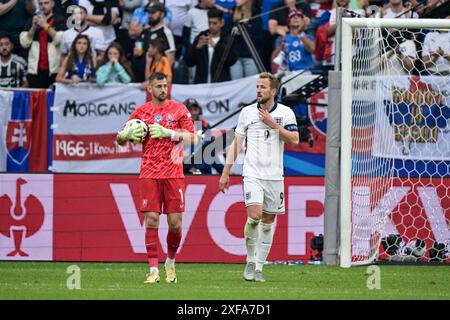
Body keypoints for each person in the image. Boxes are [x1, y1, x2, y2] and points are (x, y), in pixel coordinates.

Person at [116, 72, 197, 284]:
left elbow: (193, 137)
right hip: (149, 173)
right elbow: (122, 137)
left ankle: (170, 261)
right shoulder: (140, 112)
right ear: (149, 89)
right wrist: (124, 136)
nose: (163, 89)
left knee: (175, 224)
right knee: (151, 219)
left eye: (165, 85)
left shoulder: (179, 109)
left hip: (174, 173)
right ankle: (153, 270)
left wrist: (168, 133)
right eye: (159, 86)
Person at [219, 72, 299, 282]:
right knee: (254, 216)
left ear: (273, 91)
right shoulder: (247, 113)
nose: (258, 91)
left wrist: (273, 124)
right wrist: (226, 171)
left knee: (268, 220)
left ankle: (259, 268)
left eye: (263, 87)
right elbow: (236, 144)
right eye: (257, 87)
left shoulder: (286, 113)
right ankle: (249, 260)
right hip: (252, 173)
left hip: (274, 176)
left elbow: (294, 140)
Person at [19, 0, 66, 88]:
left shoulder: (60, 19)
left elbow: (61, 40)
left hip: (53, 70)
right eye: (40, 4)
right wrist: (33, 27)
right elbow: (24, 42)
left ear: (52, 4)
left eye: (46, 3)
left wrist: (46, 26)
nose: (43, 6)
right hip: (35, 70)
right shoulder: (32, 20)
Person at [186, 8, 237, 84]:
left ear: (222, 23)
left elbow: (231, 61)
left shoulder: (227, 38)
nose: (211, 26)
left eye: (214, 23)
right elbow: (189, 62)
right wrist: (196, 48)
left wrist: (215, 46)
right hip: (202, 83)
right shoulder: (201, 36)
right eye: (209, 22)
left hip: (221, 84)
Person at [272, 9, 315, 75]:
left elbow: (313, 50)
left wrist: (301, 34)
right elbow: (275, 56)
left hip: (305, 72)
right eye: (292, 16)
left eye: (299, 16)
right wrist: (283, 42)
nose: (296, 17)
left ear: (302, 22)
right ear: (288, 23)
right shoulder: (282, 38)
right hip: (288, 72)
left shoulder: (308, 36)